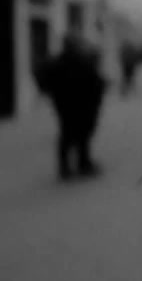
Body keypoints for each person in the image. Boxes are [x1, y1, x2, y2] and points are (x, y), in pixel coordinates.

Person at [38, 30, 107, 181]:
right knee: (80, 135)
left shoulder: (59, 62)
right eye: (78, 43)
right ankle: (81, 164)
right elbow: (95, 82)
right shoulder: (81, 62)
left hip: (66, 106)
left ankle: (68, 167)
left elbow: (46, 82)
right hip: (80, 105)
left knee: (69, 134)